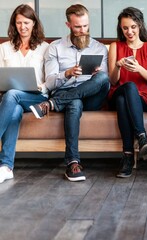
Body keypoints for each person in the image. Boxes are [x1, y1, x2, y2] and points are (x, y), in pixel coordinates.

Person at [29, 4, 110, 182]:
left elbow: (103, 81)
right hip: (67, 93)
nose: (82, 31)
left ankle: (51, 105)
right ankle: (73, 163)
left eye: (85, 26)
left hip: (91, 96)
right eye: (77, 27)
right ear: (68, 25)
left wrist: (94, 74)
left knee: (103, 77)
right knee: (74, 103)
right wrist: (67, 74)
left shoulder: (99, 48)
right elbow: (49, 84)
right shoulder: (55, 47)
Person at [0, 4, 49, 183]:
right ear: (14, 24)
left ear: (34, 24)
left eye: (26, 22)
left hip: (36, 97)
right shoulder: (4, 48)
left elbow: (50, 79)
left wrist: (40, 87)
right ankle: (6, 167)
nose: (23, 27)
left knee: (13, 94)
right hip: (10, 99)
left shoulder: (45, 48)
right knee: (13, 109)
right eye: (19, 23)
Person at [107, 7, 147, 178]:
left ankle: (127, 157)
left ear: (140, 26)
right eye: (125, 28)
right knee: (127, 88)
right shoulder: (115, 46)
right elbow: (113, 81)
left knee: (124, 101)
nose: (130, 31)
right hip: (117, 91)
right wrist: (118, 66)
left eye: (133, 27)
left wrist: (138, 68)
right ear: (120, 29)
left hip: (142, 97)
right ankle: (142, 137)